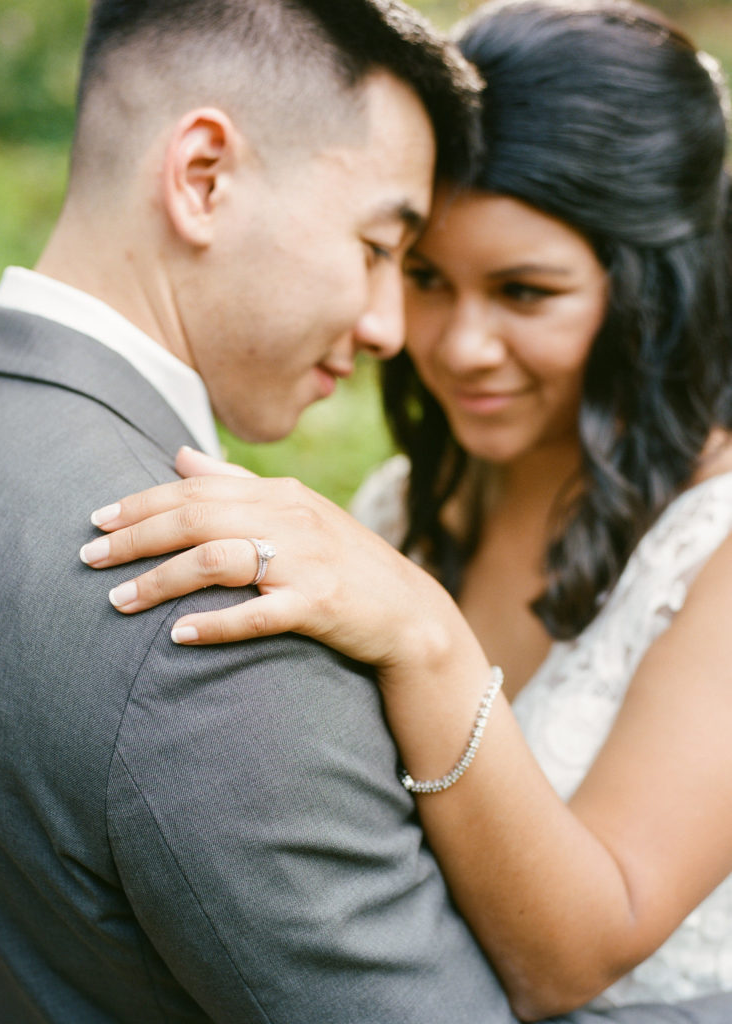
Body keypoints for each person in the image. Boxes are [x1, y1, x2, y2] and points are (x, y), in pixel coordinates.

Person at [80, 0, 732, 1019]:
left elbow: (576, 956)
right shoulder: (407, 500)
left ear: (652, 293)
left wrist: (427, 631)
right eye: (424, 276)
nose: (457, 344)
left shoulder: (719, 544)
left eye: (524, 292)